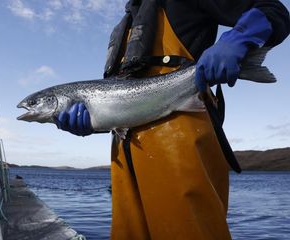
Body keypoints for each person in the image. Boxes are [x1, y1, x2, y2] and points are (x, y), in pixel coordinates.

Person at [56, 1, 290, 239]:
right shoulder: (123, 26)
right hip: (125, 164)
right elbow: (120, 103)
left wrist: (236, 41)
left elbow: (274, 10)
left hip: (182, 145)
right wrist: (92, 122)